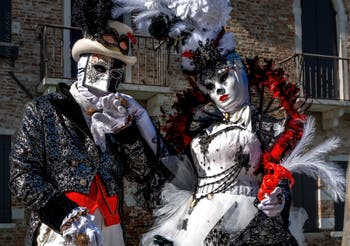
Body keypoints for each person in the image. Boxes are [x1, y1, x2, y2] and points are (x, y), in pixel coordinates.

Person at [113, 0, 346, 245]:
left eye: (224, 78)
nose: (220, 89)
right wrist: (140, 118)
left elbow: (278, 175)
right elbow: (171, 165)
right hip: (195, 220)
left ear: (240, 74)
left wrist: (278, 199)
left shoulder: (266, 128)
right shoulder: (204, 131)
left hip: (244, 218)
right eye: (211, 87)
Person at [9, 10, 168, 246]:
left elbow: (142, 172)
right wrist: (66, 216)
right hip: (62, 232)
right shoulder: (44, 110)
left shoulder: (118, 116)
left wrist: (126, 132)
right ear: (82, 65)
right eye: (101, 69)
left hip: (112, 230)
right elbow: (21, 175)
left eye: (115, 74)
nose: (106, 82)